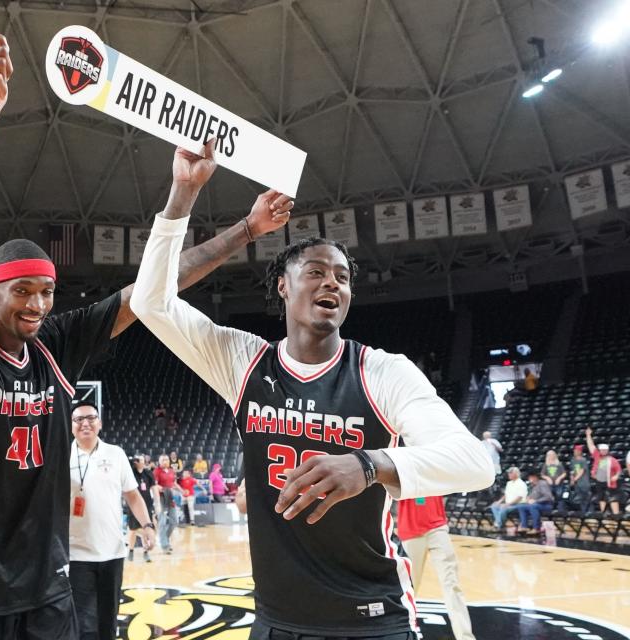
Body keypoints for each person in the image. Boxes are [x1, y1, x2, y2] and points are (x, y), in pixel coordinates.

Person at [0, 29, 287, 640]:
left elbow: (157, 286)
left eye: (45, 292)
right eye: (21, 291)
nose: (36, 304)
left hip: (45, 585)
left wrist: (242, 228)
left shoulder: (57, 344)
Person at [131, 156, 494, 638]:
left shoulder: (382, 371)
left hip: (372, 619)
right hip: (277, 621)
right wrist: (184, 192)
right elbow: (149, 301)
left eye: (343, 277)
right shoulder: (243, 363)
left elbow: (475, 463)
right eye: (317, 272)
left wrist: (368, 465)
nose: (333, 283)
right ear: (282, 285)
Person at [67, 403, 154, 640]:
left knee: (108, 621)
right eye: (79, 419)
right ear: (71, 425)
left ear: (100, 423)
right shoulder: (63, 455)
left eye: (91, 418)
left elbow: (133, 496)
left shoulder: (115, 454)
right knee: (84, 624)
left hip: (113, 553)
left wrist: (147, 525)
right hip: (77, 555)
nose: (85, 423)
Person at [397, 496, 475, 640]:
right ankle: (404, 632)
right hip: (411, 529)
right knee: (409, 588)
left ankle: (465, 637)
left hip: (437, 526)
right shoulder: (403, 472)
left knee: (452, 584)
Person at [585, 427, 622, 514]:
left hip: (610, 482)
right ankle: (603, 514)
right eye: (602, 450)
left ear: (607, 451)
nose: (603, 451)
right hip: (599, 481)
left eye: (605, 450)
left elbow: (619, 470)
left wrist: (616, 476)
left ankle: (616, 514)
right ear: (600, 450)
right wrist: (588, 435)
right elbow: (591, 445)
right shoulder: (597, 456)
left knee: (613, 499)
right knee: (601, 498)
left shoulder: (612, 460)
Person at [127, 455, 156, 562]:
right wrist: (134, 460)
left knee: (147, 529)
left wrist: (157, 504)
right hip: (133, 504)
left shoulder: (148, 473)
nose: (142, 462)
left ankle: (146, 552)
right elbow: (128, 463)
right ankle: (130, 552)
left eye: (143, 460)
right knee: (132, 530)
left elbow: (154, 487)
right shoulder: (131, 472)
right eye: (139, 461)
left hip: (147, 505)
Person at [490, 467, 527, 531]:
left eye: (511, 473)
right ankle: (499, 523)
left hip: (517, 504)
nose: (509, 474)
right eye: (509, 473)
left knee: (503, 508)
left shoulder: (521, 483)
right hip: (508, 503)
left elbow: (519, 497)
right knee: (494, 506)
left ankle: (498, 525)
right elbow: (506, 495)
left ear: (516, 474)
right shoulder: (509, 483)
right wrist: (499, 502)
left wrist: (508, 504)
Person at [517, 471, 553, 535]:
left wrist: (536, 501)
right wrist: (528, 499)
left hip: (546, 505)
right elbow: (531, 496)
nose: (529, 479)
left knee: (533, 506)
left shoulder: (542, 483)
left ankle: (536, 528)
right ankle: (524, 526)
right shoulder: (532, 485)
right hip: (537, 505)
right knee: (521, 506)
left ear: (535, 477)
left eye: (530, 477)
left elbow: (548, 497)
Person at [569, 445, 592, 513]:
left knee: (586, 498)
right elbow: (572, 471)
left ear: (579, 452)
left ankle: (589, 512)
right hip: (577, 483)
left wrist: (574, 479)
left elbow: (582, 471)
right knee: (580, 498)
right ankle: (582, 512)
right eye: (574, 450)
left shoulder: (583, 460)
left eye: (576, 451)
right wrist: (572, 479)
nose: (574, 452)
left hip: (584, 482)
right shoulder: (573, 460)